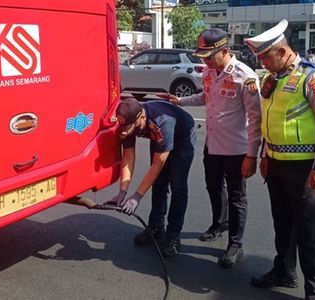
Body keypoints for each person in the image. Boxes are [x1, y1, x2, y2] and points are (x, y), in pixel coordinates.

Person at [245, 19, 315, 300]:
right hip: (275, 164)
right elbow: (267, 120)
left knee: (309, 232)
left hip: (306, 168)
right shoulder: (270, 79)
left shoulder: (313, 77)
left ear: (283, 52)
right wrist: (264, 155)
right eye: (259, 58)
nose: (263, 63)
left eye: (266, 57)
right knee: (282, 223)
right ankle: (284, 271)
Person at [161, 28, 262, 268]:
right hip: (212, 145)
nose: (205, 61)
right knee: (214, 187)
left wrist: (252, 154)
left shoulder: (244, 76)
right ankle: (220, 223)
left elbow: (255, 118)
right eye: (203, 57)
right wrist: (181, 101)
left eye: (209, 56)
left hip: (237, 149)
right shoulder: (209, 72)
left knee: (237, 196)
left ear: (225, 51)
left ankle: (235, 244)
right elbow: (205, 97)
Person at [104, 98, 197, 257]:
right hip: (158, 139)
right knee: (159, 183)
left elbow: (157, 164)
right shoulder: (127, 122)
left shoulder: (162, 123)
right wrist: (123, 192)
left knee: (178, 186)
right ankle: (156, 227)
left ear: (141, 117)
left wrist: (137, 197)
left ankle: (173, 235)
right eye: (123, 127)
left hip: (183, 137)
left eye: (129, 128)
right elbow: (128, 157)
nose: (125, 131)